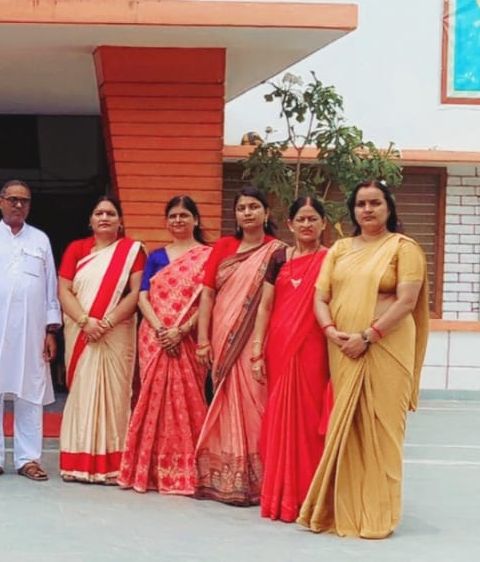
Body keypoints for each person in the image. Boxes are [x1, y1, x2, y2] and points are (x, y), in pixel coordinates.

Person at [299, 181, 430, 539]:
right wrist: (330, 331)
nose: (368, 210)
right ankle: (340, 511)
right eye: (361, 204)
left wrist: (369, 335)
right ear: (353, 210)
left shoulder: (403, 248)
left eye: (375, 203)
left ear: (389, 207)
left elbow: (407, 301)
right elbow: (320, 297)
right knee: (347, 428)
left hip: (387, 348)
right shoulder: (340, 249)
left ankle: (378, 516)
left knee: (384, 432)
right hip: (343, 349)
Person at [193, 186, 286, 505]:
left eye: (254, 207)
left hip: (258, 337)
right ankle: (223, 476)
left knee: (256, 399)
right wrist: (203, 339)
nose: (247, 212)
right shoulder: (223, 247)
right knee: (223, 397)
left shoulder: (277, 251)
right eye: (242, 207)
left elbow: (277, 300)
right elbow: (207, 294)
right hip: (222, 333)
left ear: (266, 213)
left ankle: (260, 479)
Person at [118, 195, 212, 495]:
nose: (178, 220)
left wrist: (182, 330)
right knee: (151, 402)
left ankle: (188, 472)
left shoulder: (208, 256)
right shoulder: (157, 256)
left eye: (184, 215)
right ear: (166, 222)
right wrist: (161, 330)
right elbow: (143, 296)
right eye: (173, 216)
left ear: (196, 220)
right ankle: (149, 471)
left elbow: (209, 299)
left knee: (189, 400)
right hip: (154, 337)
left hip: (189, 338)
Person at [0, 180, 59, 482]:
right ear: (0, 202)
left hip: (32, 332)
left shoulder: (40, 239)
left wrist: (50, 330)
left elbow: (50, 287)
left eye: (24, 201)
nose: (18, 205)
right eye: (13, 199)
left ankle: (28, 458)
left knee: (30, 392)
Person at [251, 196, 330, 521]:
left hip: (315, 350)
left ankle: (309, 497)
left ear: (323, 223)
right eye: (301, 219)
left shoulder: (331, 259)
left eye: (313, 219)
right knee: (278, 421)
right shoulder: (279, 258)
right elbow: (265, 306)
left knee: (311, 422)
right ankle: (280, 496)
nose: (307, 225)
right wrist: (257, 350)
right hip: (279, 349)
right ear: (290, 224)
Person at [57, 196, 145, 484]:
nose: (104, 218)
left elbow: (136, 293)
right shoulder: (76, 249)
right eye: (99, 213)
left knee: (116, 398)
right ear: (90, 220)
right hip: (82, 332)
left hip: (115, 333)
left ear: (120, 221)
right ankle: (76, 462)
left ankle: (114, 466)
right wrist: (86, 322)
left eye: (110, 213)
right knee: (82, 395)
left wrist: (106, 323)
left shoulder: (132, 251)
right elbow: (64, 290)